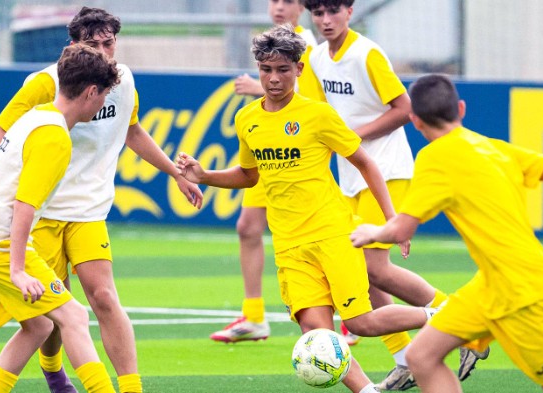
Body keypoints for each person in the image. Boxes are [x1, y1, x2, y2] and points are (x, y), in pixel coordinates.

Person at [176, 25, 435, 393]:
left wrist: (392, 218)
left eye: (283, 69)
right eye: (266, 69)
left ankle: (441, 316)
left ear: (299, 69)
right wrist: (204, 175)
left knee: (360, 322)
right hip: (288, 244)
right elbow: (250, 175)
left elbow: (366, 163)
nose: (273, 78)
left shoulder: (318, 115)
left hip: (331, 233)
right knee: (317, 333)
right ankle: (368, 391)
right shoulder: (247, 118)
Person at [0, 7, 203, 393]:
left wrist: (174, 173)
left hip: (89, 210)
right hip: (43, 212)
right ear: (73, 45)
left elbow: (132, 131)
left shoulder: (123, 79)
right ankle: (54, 371)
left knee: (103, 297)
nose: (103, 52)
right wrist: (28, 178)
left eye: (109, 43)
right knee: (52, 313)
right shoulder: (45, 82)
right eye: (92, 44)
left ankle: (131, 387)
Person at [351, 74, 543, 393]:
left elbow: (401, 228)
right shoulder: (493, 147)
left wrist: (370, 231)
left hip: (520, 291)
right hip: (488, 287)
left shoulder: (434, 157)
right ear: (461, 108)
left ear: (414, 121)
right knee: (422, 355)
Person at [302, 0, 485, 389]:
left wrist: (355, 137)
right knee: (365, 278)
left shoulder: (367, 53)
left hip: (386, 170)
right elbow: (315, 113)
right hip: (350, 178)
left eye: (333, 10)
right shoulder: (316, 58)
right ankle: (406, 359)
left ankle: (463, 320)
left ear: (350, 11)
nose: (325, 20)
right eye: (317, 13)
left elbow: (405, 107)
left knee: (375, 269)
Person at [0, 44, 120, 393]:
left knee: (41, 327)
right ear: (90, 92)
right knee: (74, 316)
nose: (104, 104)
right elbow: (24, 205)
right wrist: (18, 269)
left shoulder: (38, 114)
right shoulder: (54, 137)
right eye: (103, 95)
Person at [211, 0, 322, 345]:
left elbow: (310, 100)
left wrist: (257, 88)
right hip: (268, 152)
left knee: (315, 236)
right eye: (274, 0)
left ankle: (340, 317)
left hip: (296, 153)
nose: (278, 7)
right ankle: (255, 316)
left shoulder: (308, 47)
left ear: (302, 7)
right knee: (247, 227)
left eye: (287, 1)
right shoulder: (271, 43)